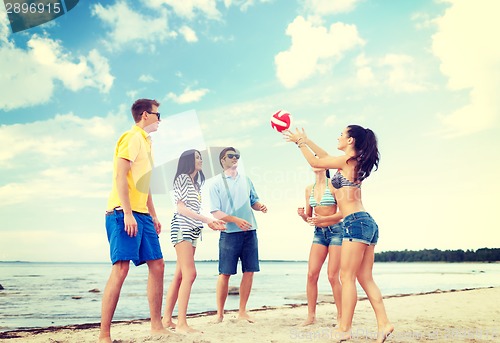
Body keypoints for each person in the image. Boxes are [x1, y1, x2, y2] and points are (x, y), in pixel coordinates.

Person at [284, 126, 394, 343]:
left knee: (347, 277)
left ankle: (344, 328)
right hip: (365, 223)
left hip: (355, 223)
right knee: (365, 278)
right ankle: (383, 323)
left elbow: (316, 162)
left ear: (350, 140)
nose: (338, 136)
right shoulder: (351, 161)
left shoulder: (348, 161)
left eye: (341, 134)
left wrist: (299, 143)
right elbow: (324, 157)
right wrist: (307, 139)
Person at [99, 99, 169, 343]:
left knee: (158, 265)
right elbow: (121, 175)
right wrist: (128, 213)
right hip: (122, 212)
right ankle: (104, 335)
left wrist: (153, 214)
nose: (160, 119)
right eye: (158, 115)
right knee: (121, 269)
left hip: (142, 214)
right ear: (145, 115)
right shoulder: (130, 137)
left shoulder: (147, 143)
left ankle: (157, 326)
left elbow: (144, 184)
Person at [162, 149, 226, 334]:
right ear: (188, 161)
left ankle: (167, 319)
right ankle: (182, 323)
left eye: (201, 157)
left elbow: (194, 213)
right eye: (197, 157)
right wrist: (208, 220)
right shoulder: (182, 178)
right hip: (181, 228)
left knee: (181, 275)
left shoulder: (196, 185)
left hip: (193, 230)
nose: (200, 160)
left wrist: (211, 223)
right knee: (190, 274)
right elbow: (181, 209)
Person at [209, 147, 267, 323]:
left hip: (250, 232)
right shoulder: (216, 183)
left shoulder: (246, 180)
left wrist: (260, 206)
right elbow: (215, 212)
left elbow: (253, 201)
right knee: (225, 273)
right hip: (229, 234)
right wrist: (235, 220)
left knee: (249, 271)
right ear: (222, 160)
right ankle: (219, 314)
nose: (235, 158)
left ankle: (242, 311)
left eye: (237, 156)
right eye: (231, 156)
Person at [297, 167, 343, 326]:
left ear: (325, 165)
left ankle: (341, 317)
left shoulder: (335, 185)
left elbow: (343, 213)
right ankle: (311, 316)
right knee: (311, 274)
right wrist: (303, 216)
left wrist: (323, 219)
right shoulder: (309, 189)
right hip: (319, 234)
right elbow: (310, 218)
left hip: (337, 232)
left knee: (332, 276)